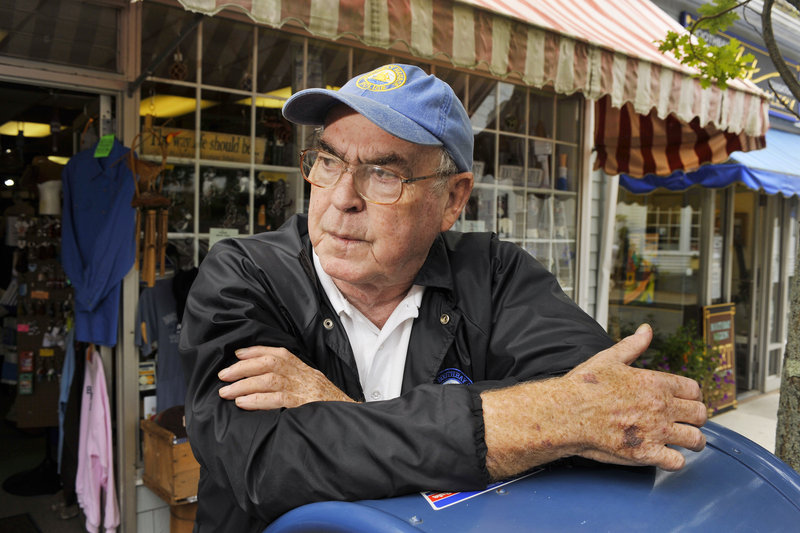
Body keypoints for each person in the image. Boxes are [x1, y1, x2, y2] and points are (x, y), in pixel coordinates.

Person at [179, 64, 707, 532]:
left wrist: (340, 415)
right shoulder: (244, 276)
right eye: (330, 162)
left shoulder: (495, 274)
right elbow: (263, 464)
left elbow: (608, 421)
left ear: (452, 199)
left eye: (383, 174)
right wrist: (545, 418)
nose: (342, 199)